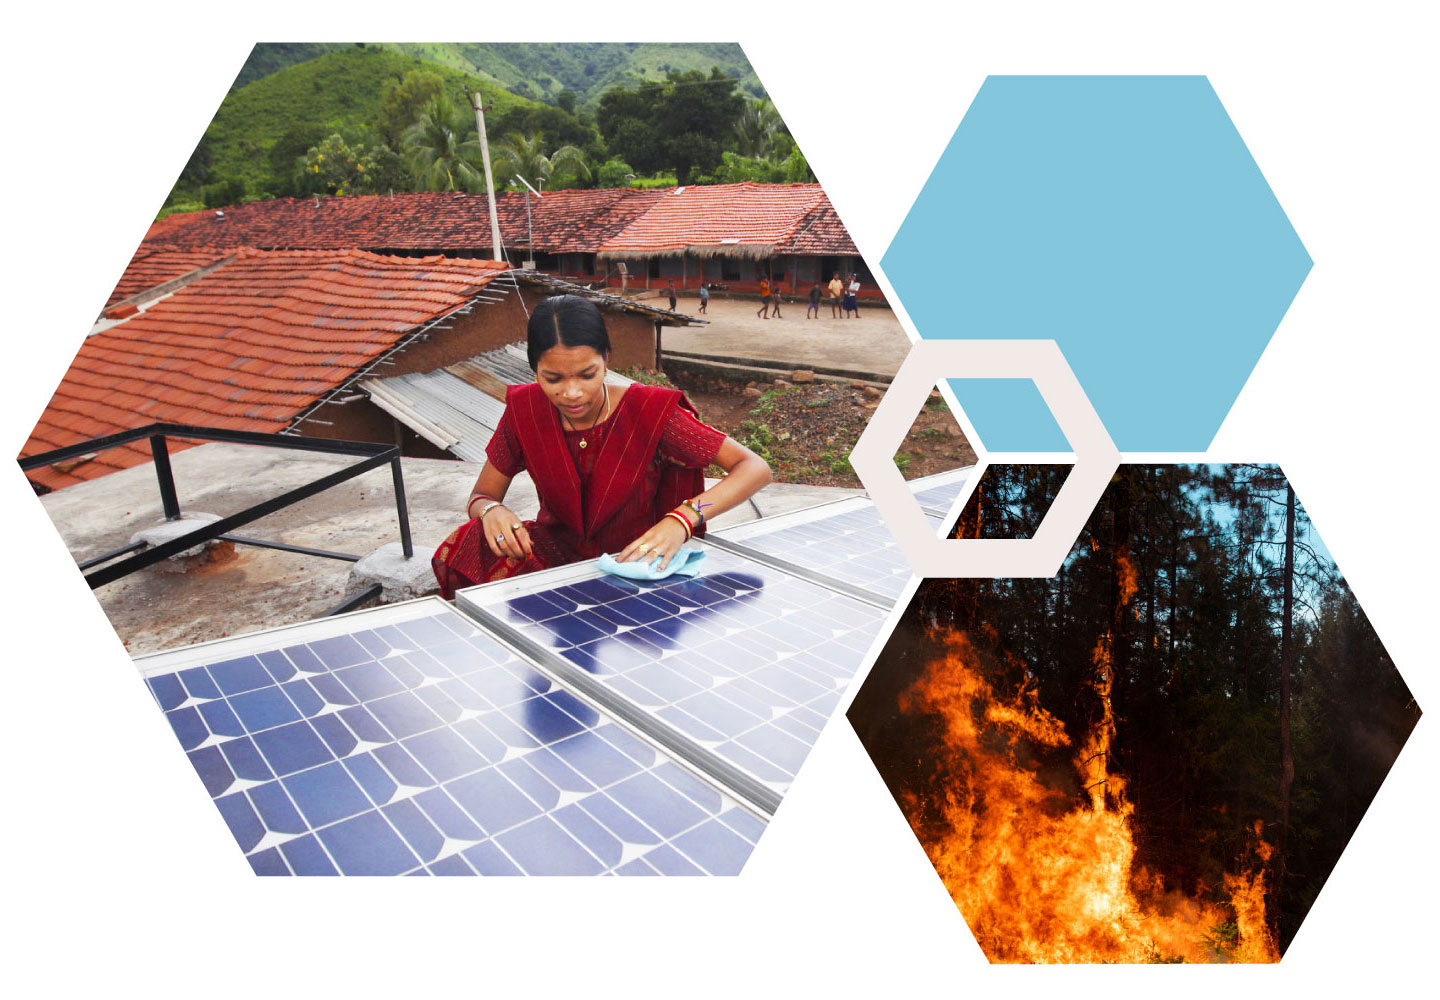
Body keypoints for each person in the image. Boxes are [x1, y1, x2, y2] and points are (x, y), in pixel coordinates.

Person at [432, 295, 772, 597]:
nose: (572, 393)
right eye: (553, 379)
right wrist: (492, 511)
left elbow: (753, 468)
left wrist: (682, 520)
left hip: (637, 557)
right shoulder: (525, 412)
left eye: (586, 374)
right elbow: (482, 496)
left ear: (606, 359)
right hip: (558, 553)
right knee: (471, 539)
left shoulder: (650, 413)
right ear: (535, 368)